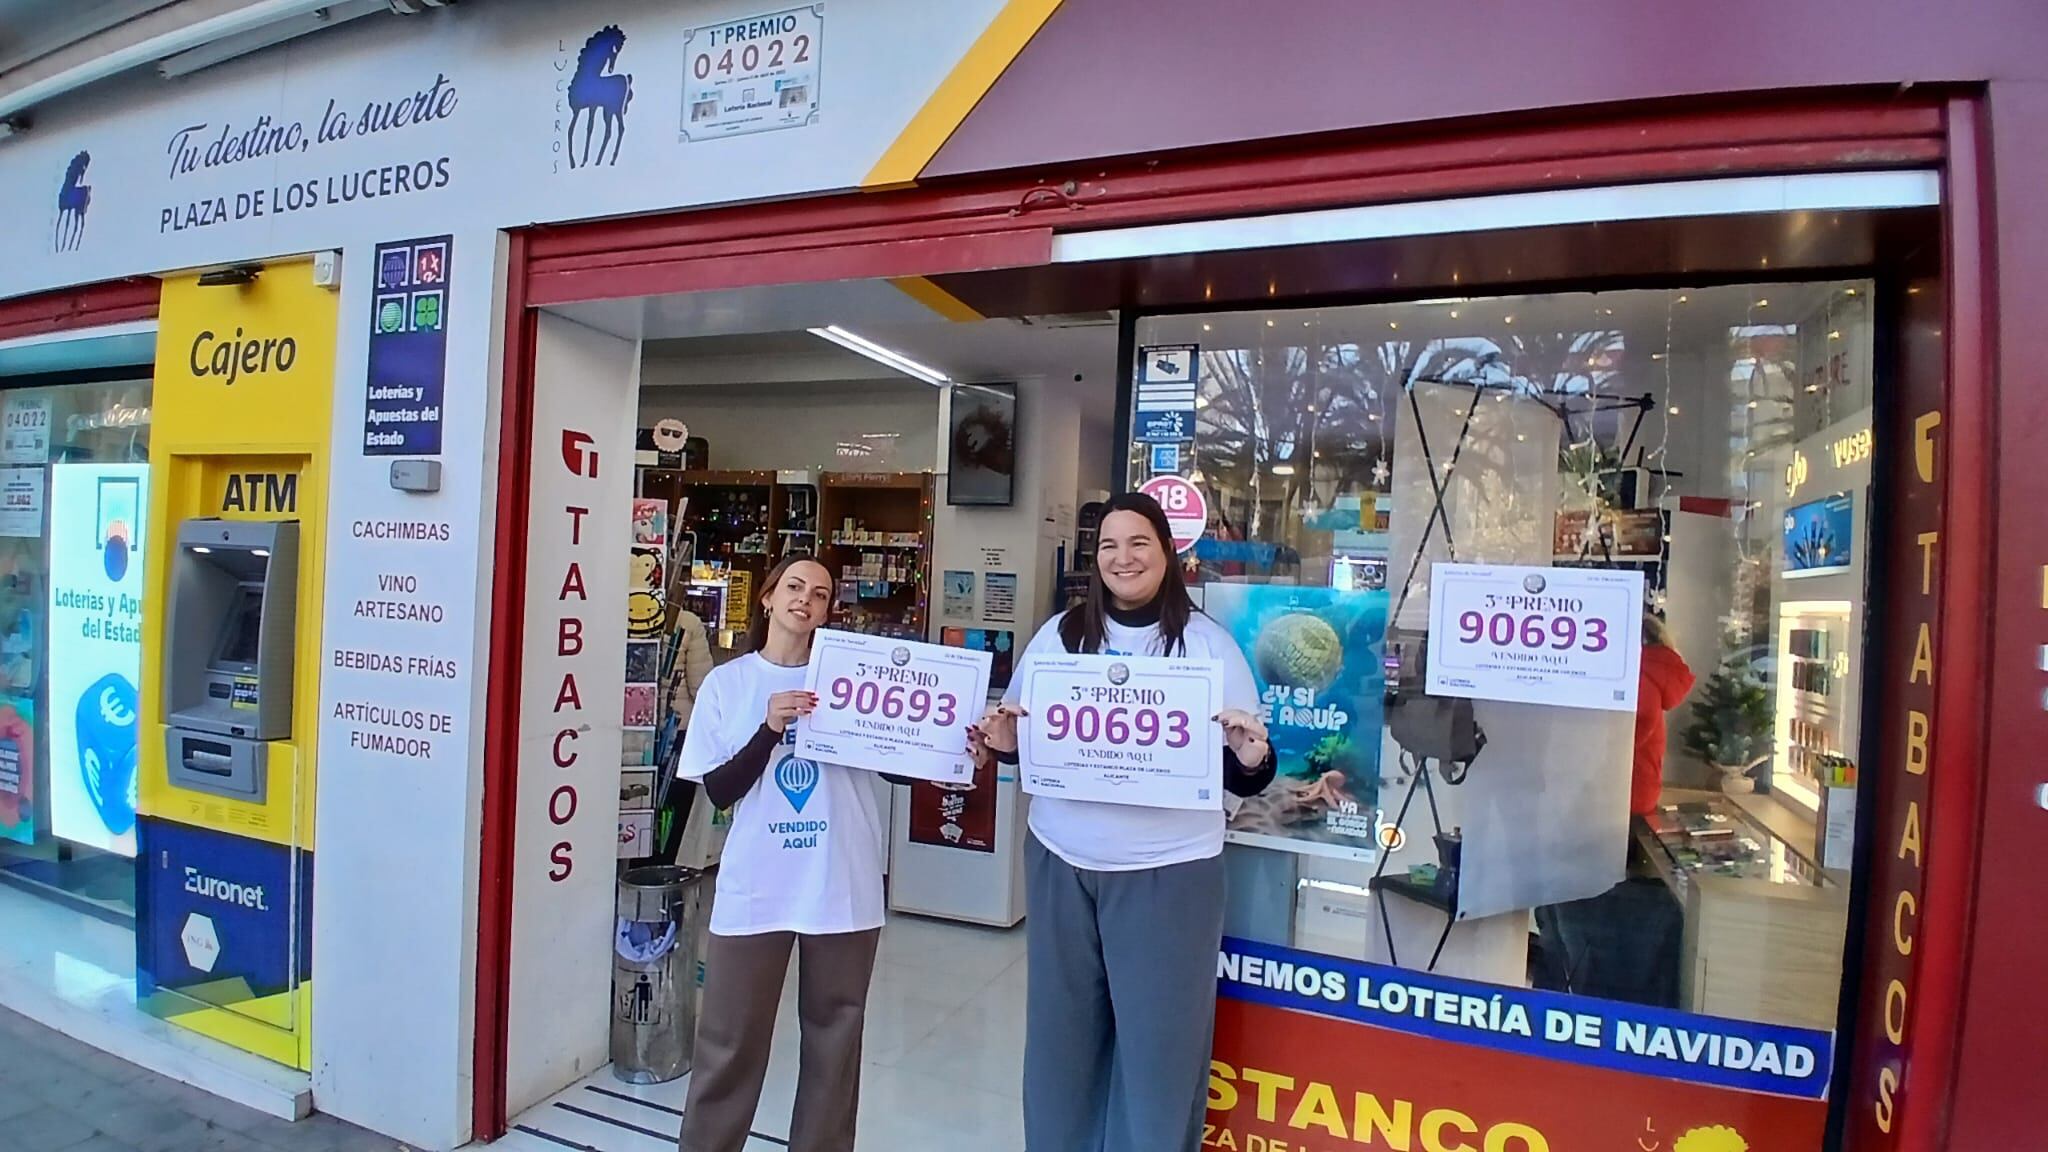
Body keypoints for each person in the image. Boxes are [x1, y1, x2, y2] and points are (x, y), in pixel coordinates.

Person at [972, 491, 1274, 1152]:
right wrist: (998, 739)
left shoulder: (1207, 646)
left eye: (1139, 542)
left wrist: (1253, 754)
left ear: (1166, 551)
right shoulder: (1060, 637)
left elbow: (1244, 769)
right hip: (1062, 861)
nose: (1123, 557)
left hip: (1169, 872)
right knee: (1061, 1043)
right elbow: (1023, 737)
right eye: (1109, 545)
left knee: (1159, 1056)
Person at [674, 555, 890, 1152]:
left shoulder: (850, 684)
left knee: (835, 1043)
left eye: (819, 594)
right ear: (767, 598)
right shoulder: (729, 683)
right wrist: (768, 729)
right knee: (729, 1041)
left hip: (842, 884)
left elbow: (899, 765)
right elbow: (718, 791)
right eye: (794, 587)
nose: (805, 600)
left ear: (827, 611)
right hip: (757, 885)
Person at [1632, 612, 1697, 817]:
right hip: (1641, 783)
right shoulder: (1650, 674)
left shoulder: (1639, 676)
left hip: (1627, 788)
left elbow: (1628, 739)